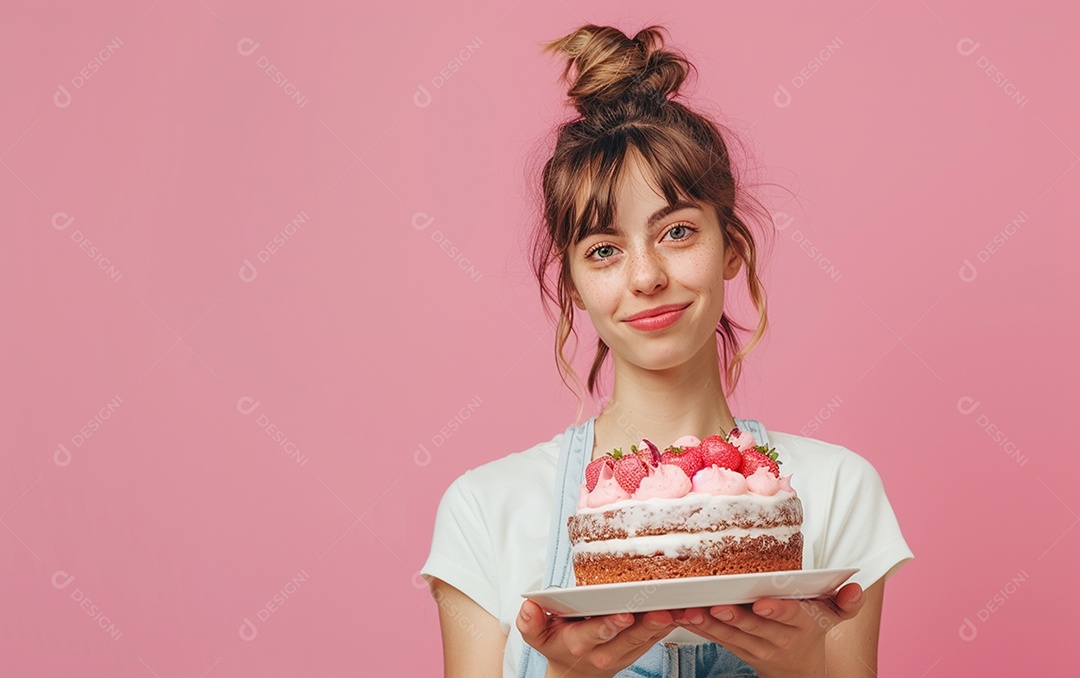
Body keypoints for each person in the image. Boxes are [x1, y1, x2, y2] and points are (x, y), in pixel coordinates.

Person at [420, 23, 913, 678]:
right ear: (572, 282)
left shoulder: (836, 490)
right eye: (604, 250)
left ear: (731, 246)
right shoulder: (486, 511)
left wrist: (803, 666)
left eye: (676, 231)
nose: (645, 276)